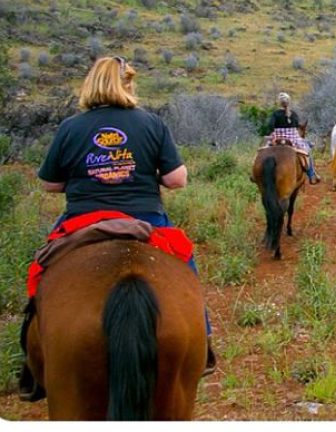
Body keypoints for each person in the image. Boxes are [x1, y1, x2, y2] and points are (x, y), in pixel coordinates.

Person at [33, 55, 216, 376]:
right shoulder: (151, 123)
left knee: (41, 270)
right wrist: (146, 174)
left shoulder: (70, 127)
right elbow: (177, 180)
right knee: (186, 265)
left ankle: (32, 353)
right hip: (145, 218)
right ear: (127, 83)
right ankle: (205, 342)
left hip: (82, 219)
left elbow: (50, 183)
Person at [266, 92, 321, 184]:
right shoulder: (293, 114)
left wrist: (274, 132)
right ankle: (311, 175)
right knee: (307, 151)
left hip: (278, 138)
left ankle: (254, 174)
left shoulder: (275, 114)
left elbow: (270, 125)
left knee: (262, 150)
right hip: (292, 139)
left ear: (279, 102)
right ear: (289, 102)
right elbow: (296, 125)